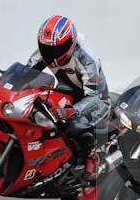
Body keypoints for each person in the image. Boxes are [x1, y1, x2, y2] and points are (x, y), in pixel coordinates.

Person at [27, 15, 110, 163]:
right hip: (67, 93)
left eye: (58, 48)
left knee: (74, 125)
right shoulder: (46, 50)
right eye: (46, 48)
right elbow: (27, 73)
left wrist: (71, 111)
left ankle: (92, 159)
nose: (51, 54)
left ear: (71, 43)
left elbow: (95, 98)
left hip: (95, 101)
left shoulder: (86, 59)